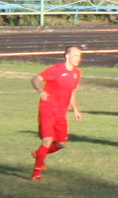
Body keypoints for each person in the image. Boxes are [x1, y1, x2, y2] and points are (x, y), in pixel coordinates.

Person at [30, 46, 84, 181]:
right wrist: (40, 91)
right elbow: (35, 79)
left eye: (79, 56)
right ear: (67, 56)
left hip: (61, 113)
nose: (79, 58)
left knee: (61, 144)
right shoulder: (56, 69)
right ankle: (36, 173)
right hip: (48, 109)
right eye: (76, 55)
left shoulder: (77, 73)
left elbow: (71, 91)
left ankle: (38, 154)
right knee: (47, 139)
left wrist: (75, 108)